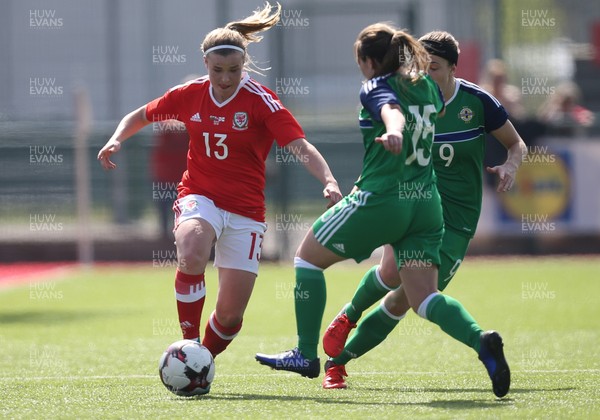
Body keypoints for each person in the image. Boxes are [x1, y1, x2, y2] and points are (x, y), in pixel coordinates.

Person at [256, 24, 508, 398]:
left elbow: (391, 111)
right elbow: (430, 111)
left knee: (306, 260)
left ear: (368, 61)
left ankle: (305, 354)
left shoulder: (376, 86)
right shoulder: (426, 87)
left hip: (383, 197)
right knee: (423, 298)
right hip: (426, 205)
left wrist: (393, 129)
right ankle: (480, 341)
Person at [97, 3, 342, 364]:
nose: (225, 78)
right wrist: (117, 138)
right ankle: (188, 345)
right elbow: (141, 115)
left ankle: (201, 361)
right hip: (200, 194)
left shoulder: (261, 101)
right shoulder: (189, 94)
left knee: (230, 316)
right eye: (218, 70)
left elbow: (298, 146)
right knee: (192, 248)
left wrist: (329, 179)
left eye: (233, 70)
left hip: (246, 210)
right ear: (205, 65)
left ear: (243, 66)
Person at [321, 30, 526, 398]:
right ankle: (346, 325)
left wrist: (511, 165)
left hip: (456, 220)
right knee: (390, 275)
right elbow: (381, 153)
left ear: (452, 69)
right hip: (412, 203)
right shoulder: (406, 98)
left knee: (403, 299)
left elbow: (516, 144)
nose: (426, 73)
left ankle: (338, 360)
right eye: (420, 65)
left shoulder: (477, 102)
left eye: (434, 67)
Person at [150, 75, 198, 239]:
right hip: (166, 176)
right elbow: (170, 124)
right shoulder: (173, 108)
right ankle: (164, 244)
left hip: (190, 178)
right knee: (165, 217)